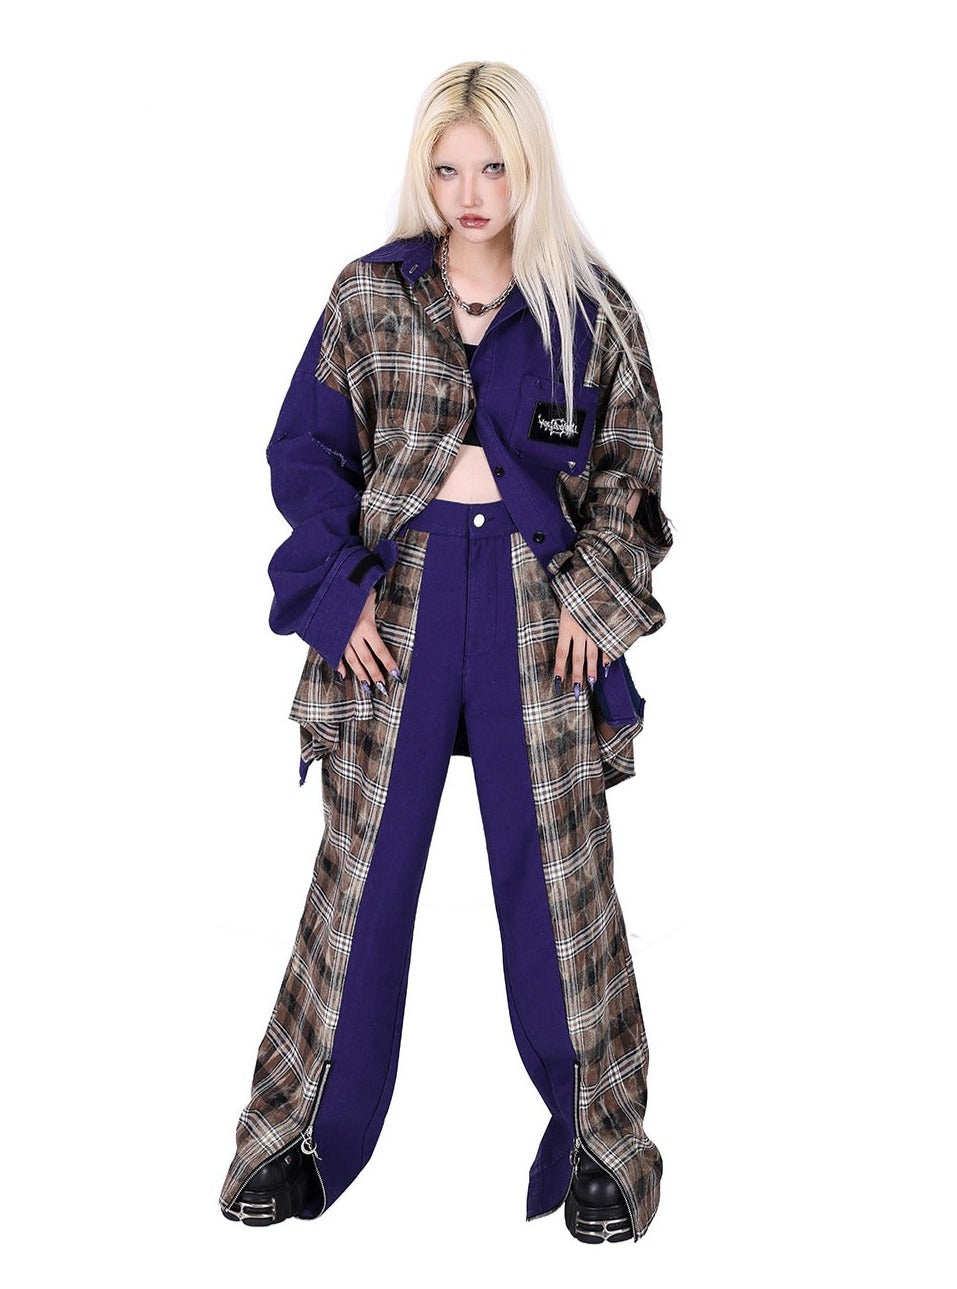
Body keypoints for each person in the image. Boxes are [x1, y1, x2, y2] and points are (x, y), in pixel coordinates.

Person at [219, 60, 674, 1245]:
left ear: (530, 169)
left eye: (493, 167)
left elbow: (628, 471)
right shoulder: (371, 297)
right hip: (399, 611)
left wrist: (595, 599)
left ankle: (606, 1149)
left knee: (563, 877)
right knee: (359, 880)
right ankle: (296, 1135)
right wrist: (337, 599)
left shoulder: (589, 311)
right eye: (447, 168)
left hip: (538, 615)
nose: (470, 193)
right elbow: (307, 456)